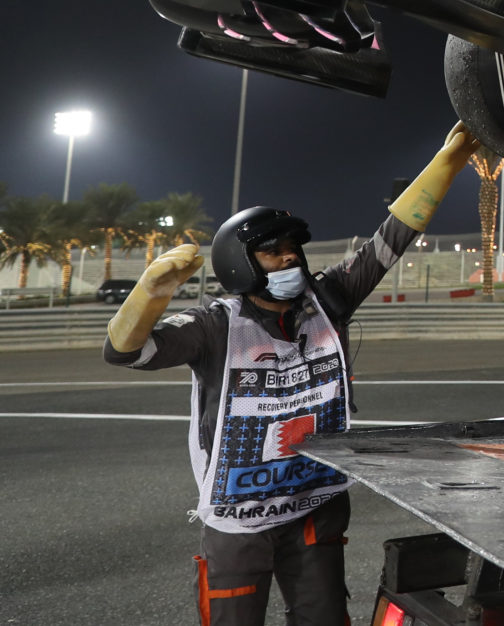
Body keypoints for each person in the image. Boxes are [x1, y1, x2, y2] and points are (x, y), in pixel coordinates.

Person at [103, 122, 479, 626]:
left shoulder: (328, 301)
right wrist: (148, 293)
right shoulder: (215, 324)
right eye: (271, 250)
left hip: (315, 504)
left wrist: (446, 164)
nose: (288, 257)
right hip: (240, 521)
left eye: (291, 248)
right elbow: (126, 352)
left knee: (324, 619)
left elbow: (389, 242)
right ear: (240, 263)